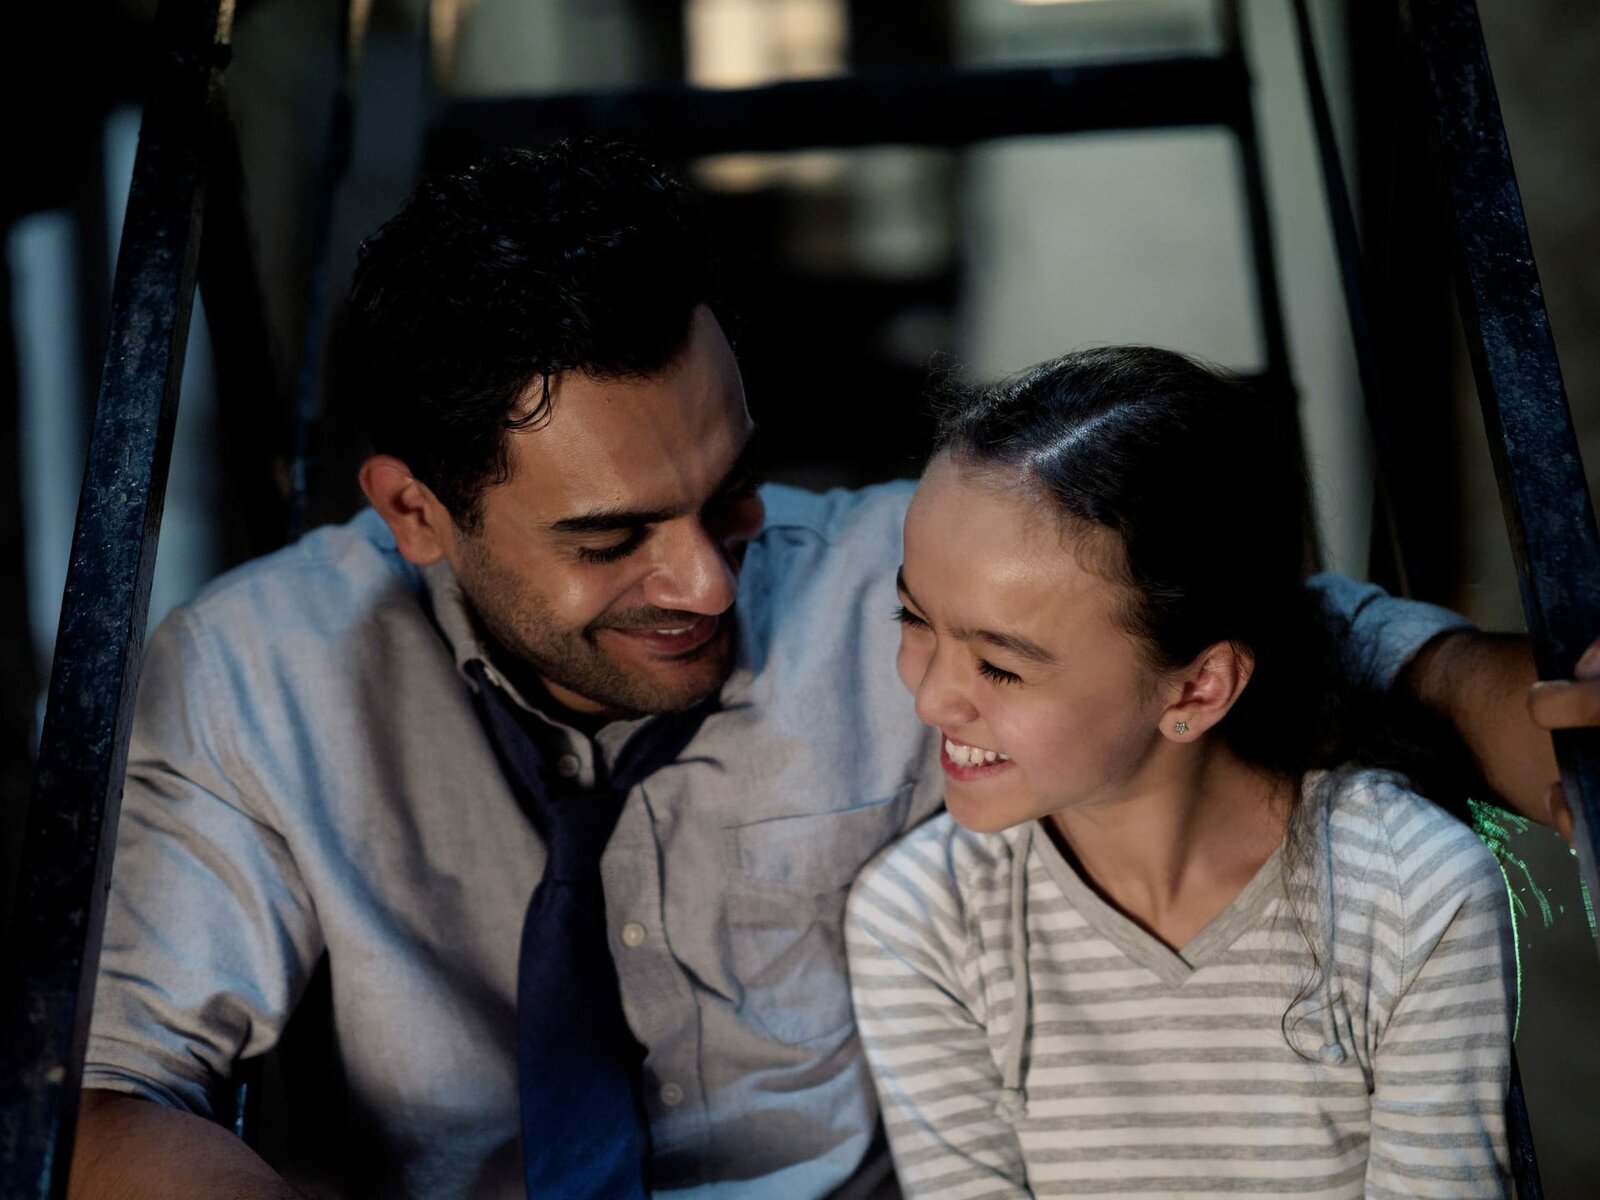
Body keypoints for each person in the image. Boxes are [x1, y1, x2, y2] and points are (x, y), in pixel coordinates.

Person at [67, 141, 1574, 1200]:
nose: (709, 579)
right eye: (612, 537)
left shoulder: (900, 599)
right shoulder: (257, 679)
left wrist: (1489, 693)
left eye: (728, 487)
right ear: (415, 514)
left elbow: (1268, 634)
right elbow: (109, 1103)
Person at [846, 347, 1518, 1198]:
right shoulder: (924, 915)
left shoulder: (1410, 894)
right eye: (914, 618)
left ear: (1199, 687)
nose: (932, 697)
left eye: (1001, 668)